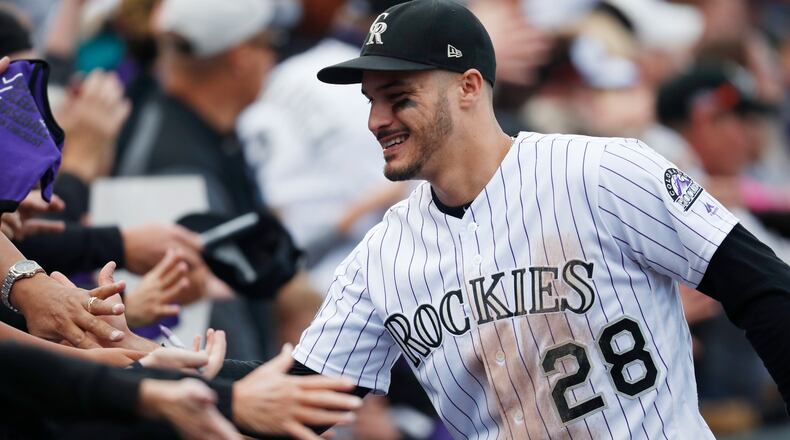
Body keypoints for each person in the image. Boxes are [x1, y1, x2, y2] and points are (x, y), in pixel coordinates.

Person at [272, 1, 790, 438]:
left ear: (469, 87)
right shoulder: (379, 259)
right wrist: (201, 385)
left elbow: (764, 287)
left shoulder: (604, 171)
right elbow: (302, 396)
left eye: (399, 97)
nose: (376, 120)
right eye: (370, 101)